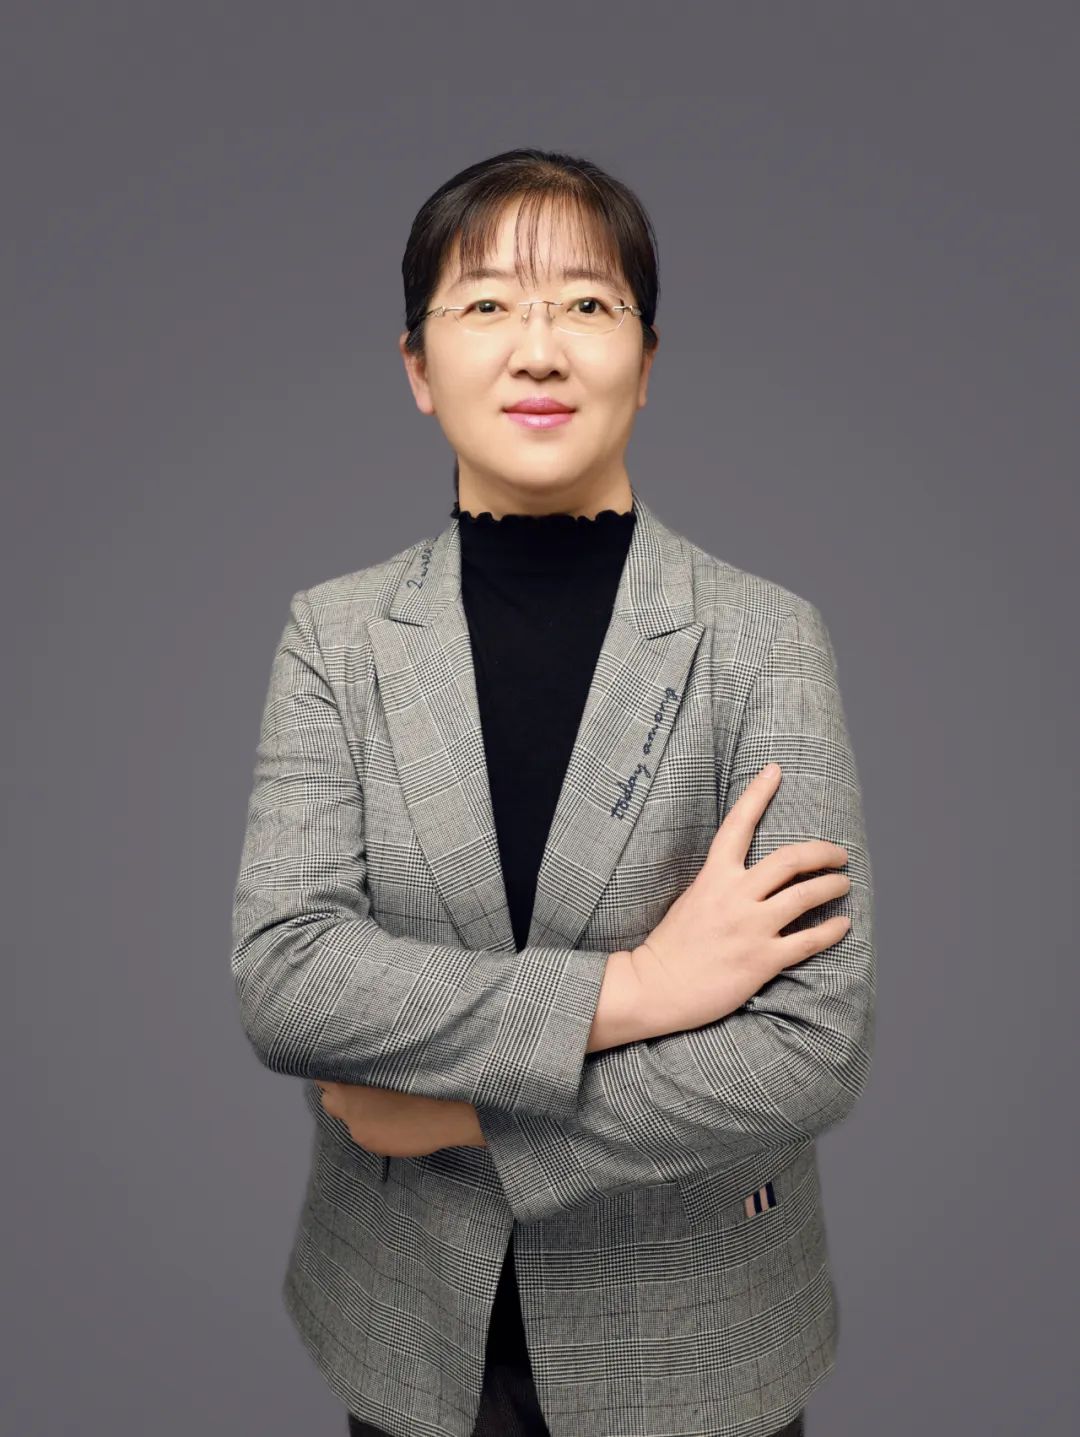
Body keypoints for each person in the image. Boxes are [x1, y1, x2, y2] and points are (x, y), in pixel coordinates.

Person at [231, 147, 874, 1437]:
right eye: (486, 306)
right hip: (405, 1321)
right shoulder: (337, 638)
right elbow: (288, 976)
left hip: (700, 1333)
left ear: (647, 358)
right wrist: (639, 990)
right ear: (419, 366)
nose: (540, 351)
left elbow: (811, 1051)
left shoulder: (760, 639)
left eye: (587, 303)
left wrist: (458, 1115)